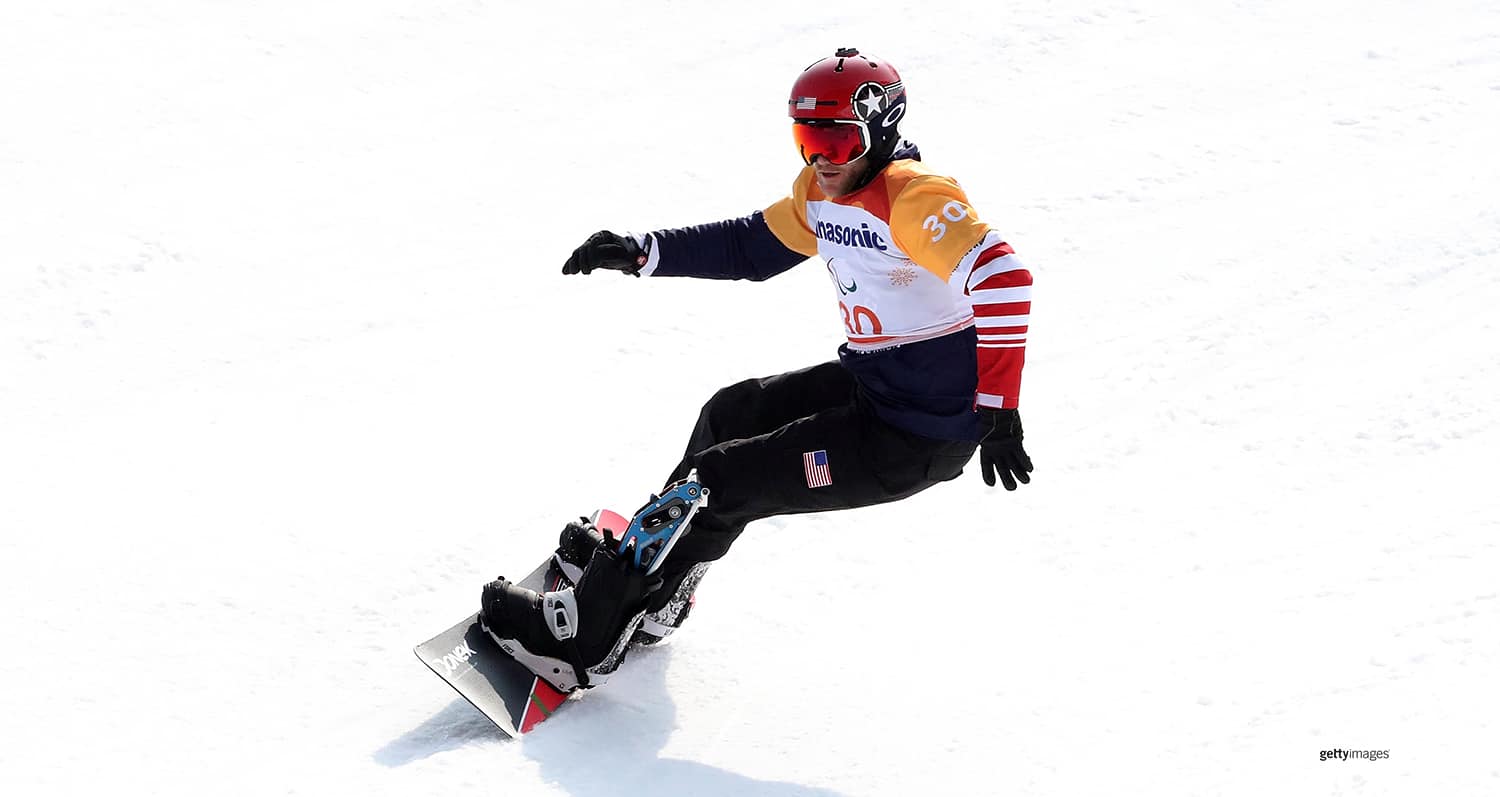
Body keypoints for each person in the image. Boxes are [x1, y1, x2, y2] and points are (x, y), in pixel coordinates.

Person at [481, 47, 1035, 692]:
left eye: (838, 141)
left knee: (720, 482)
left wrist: (999, 411)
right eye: (808, 141)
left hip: (914, 439)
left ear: (881, 130)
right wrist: (642, 252)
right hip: (875, 391)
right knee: (729, 415)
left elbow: (1006, 280)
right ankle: (654, 591)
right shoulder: (822, 193)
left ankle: (584, 640)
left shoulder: (914, 197)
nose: (822, 160)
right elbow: (751, 246)